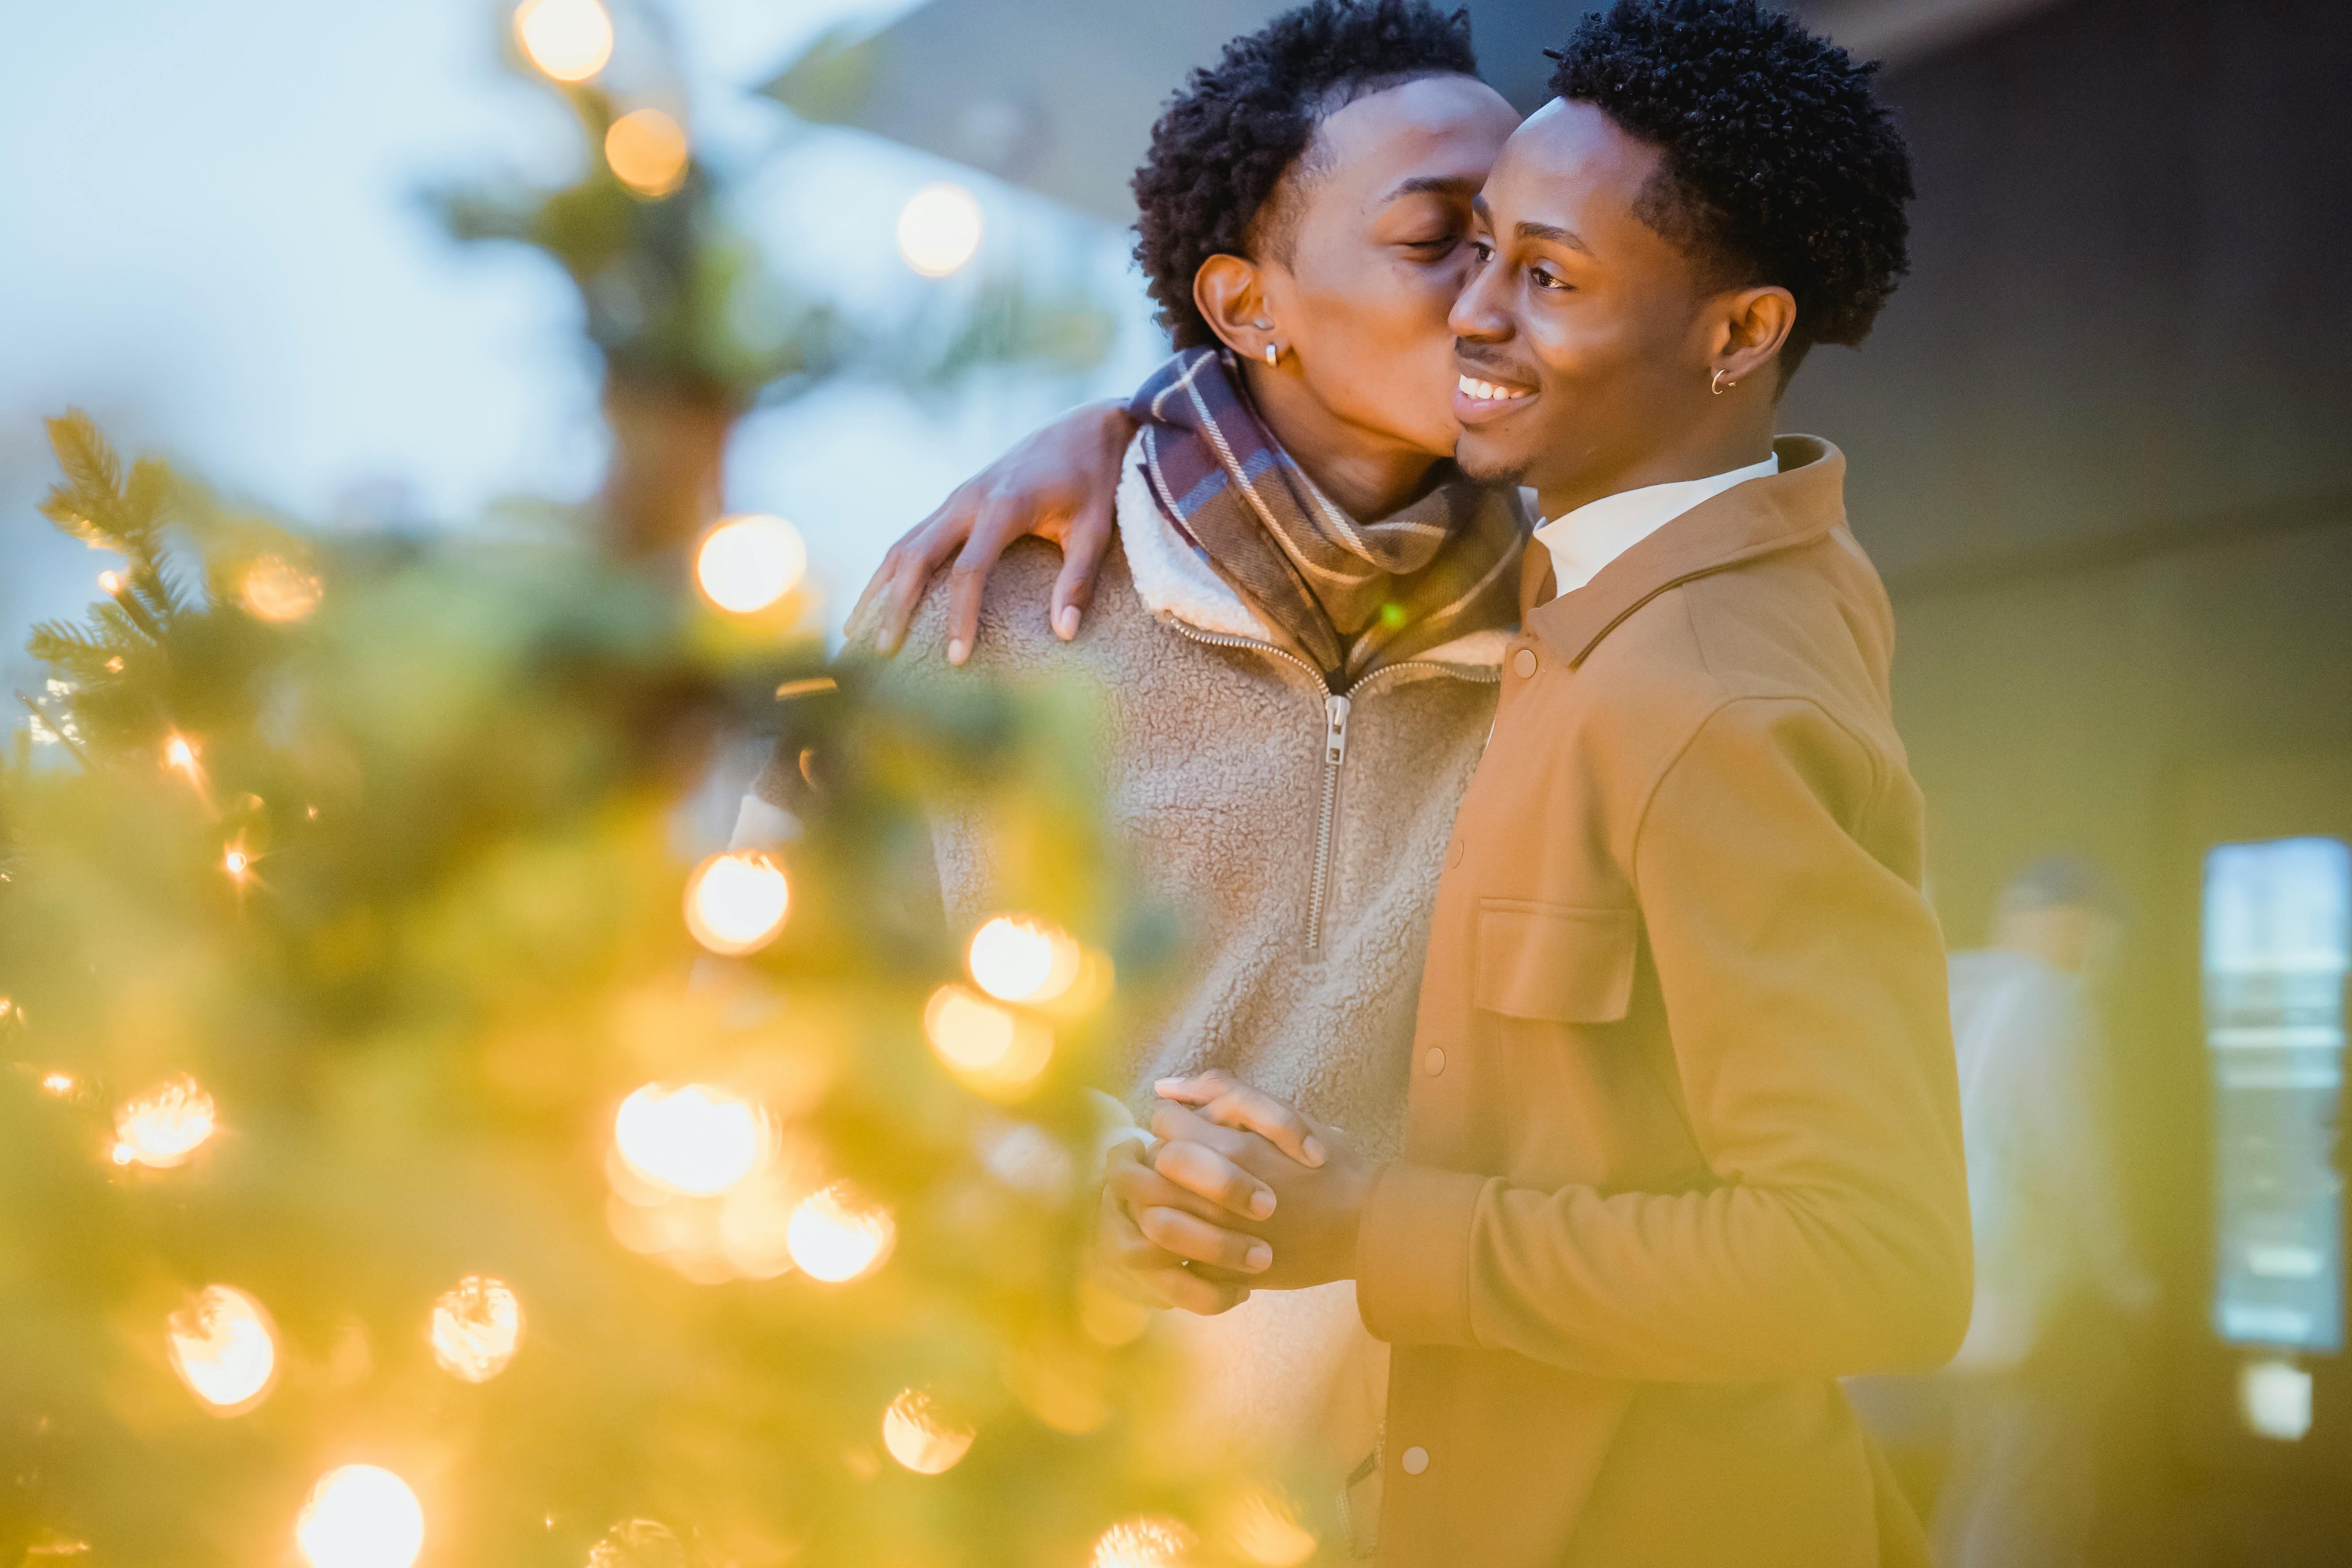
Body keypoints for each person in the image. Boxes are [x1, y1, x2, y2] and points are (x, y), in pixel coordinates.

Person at [1118, 3, 1973, 1563]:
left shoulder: (1709, 694)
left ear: (1733, 335)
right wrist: (1107, 439)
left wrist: (1372, 1227)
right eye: (1471, 246)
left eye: (1544, 275)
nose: (1470, 313)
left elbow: (1877, 1262)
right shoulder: (1620, 562)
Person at [744, 0, 1526, 1538]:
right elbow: (774, 1012)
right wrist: (1074, 1175)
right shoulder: (974, 610)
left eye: (1524, 239)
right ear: (1247, 303)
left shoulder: (1583, 634)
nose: (1501, 295)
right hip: (1004, 1490)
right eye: (1436, 238)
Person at [1924, 856, 2153, 1568]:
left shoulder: (1953, 986)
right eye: (2099, 935)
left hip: (1954, 1299)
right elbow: (2078, 1157)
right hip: (2031, 1304)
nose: (2102, 958)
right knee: (2033, 1490)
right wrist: (2128, 1282)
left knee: (1980, 1478)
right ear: (2070, 923)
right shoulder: (2049, 1000)